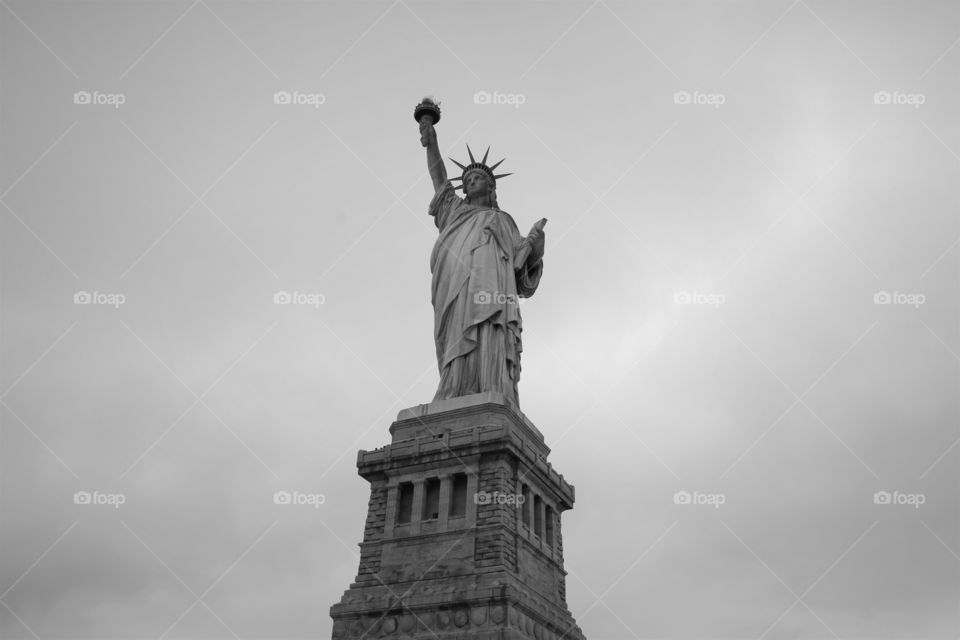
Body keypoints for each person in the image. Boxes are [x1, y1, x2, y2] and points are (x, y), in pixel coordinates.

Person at [419, 118, 545, 405]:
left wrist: (537, 246)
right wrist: (431, 141)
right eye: (466, 180)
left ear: (491, 188)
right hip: (455, 284)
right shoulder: (455, 211)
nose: (471, 182)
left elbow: (521, 269)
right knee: (457, 330)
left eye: (478, 179)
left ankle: (492, 385)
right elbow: (439, 179)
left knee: (490, 327)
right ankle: (454, 387)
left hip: (494, 290)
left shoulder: (503, 220)